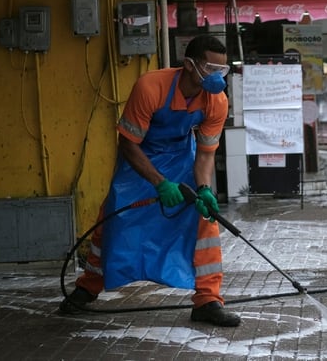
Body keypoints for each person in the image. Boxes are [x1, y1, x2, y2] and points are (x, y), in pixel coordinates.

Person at [59, 34, 240, 327]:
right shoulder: (151, 87)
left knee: (204, 219)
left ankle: (208, 300)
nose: (218, 77)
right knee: (114, 217)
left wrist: (204, 189)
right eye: (211, 69)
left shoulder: (216, 101)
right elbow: (128, 144)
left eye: (222, 71)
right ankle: (87, 288)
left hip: (181, 158)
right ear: (190, 65)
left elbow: (205, 155)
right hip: (140, 156)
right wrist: (159, 183)